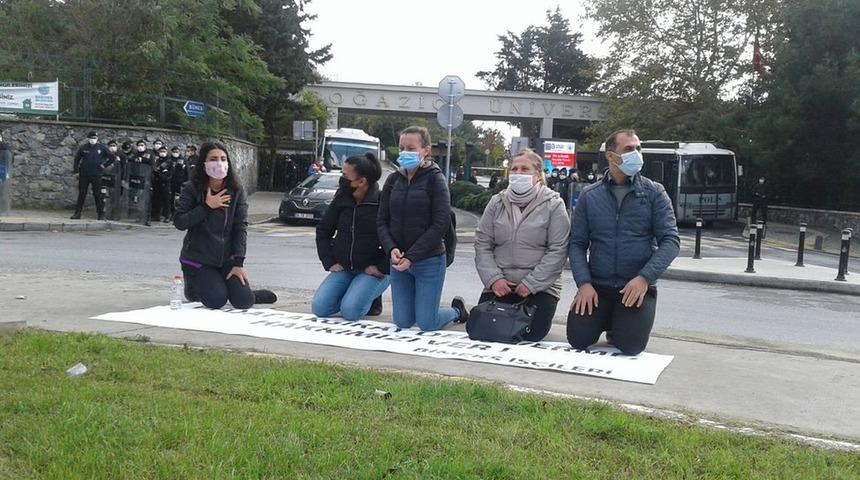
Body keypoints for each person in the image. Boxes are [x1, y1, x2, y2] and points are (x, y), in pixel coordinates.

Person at [567, 129, 680, 356]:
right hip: (598, 286)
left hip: (634, 288)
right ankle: (608, 319)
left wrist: (644, 278)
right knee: (577, 340)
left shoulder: (654, 193)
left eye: (638, 149)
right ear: (610, 156)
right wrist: (584, 284)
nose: (636, 154)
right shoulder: (590, 196)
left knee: (630, 346)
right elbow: (577, 244)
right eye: (629, 149)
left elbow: (671, 241)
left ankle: (620, 323)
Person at [474, 149, 570, 342]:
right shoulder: (496, 202)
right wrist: (494, 279)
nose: (518, 173)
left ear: (538, 175)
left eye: (524, 169)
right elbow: (482, 243)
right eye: (514, 169)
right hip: (501, 283)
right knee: (483, 329)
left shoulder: (554, 205)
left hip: (540, 287)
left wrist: (531, 284)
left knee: (530, 334)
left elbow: (558, 250)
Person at [377, 126, 468, 331]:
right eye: (401, 148)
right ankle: (422, 309)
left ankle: (456, 312)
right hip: (398, 261)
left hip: (429, 260)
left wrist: (412, 257)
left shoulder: (436, 179)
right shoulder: (392, 180)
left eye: (411, 148)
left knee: (427, 323)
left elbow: (441, 222)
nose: (404, 152)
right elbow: (381, 220)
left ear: (426, 150)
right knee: (403, 321)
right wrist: (391, 249)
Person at [174, 142, 276, 309]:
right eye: (213, 159)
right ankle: (194, 289)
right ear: (203, 163)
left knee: (244, 302)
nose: (219, 163)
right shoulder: (191, 188)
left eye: (223, 158)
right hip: (200, 260)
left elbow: (240, 227)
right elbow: (180, 222)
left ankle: (246, 294)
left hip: (226, 260)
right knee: (216, 301)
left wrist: (238, 263)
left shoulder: (236, 190)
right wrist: (206, 206)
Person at [312, 153, 389, 320]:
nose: (341, 179)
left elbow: (398, 240)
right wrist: (330, 261)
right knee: (320, 307)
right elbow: (323, 230)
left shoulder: (383, 202)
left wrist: (382, 267)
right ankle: (360, 296)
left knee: (351, 312)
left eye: (345, 176)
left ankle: (364, 297)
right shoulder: (341, 199)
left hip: (373, 270)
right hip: (346, 268)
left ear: (361, 181)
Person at [71, 131, 113, 220]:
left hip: (96, 174)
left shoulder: (102, 148)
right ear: (88, 138)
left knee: (97, 194)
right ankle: (77, 213)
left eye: (95, 138)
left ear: (97, 139)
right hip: (84, 174)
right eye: (91, 138)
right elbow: (77, 159)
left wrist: (104, 165)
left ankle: (100, 214)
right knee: (82, 193)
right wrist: (76, 171)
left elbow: (112, 157)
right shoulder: (84, 147)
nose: (93, 140)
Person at [152, 145, 173, 223]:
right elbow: (154, 170)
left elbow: (170, 173)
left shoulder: (169, 161)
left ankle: (167, 215)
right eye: (161, 151)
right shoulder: (157, 160)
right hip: (157, 182)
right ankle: (157, 215)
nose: (162, 153)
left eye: (164, 151)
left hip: (165, 183)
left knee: (166, 200)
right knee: (157, 199)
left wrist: (161, 174)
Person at [169, 146, 187, 220]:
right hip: (170, 182)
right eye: (174, 151)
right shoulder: (169, 159)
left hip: (180, 182)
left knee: (178, 199)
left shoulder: (182, 160)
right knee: (170, 199)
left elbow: (187, 172)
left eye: (177, 152)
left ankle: (177, 214)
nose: (175, 153)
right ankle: (171, 214)